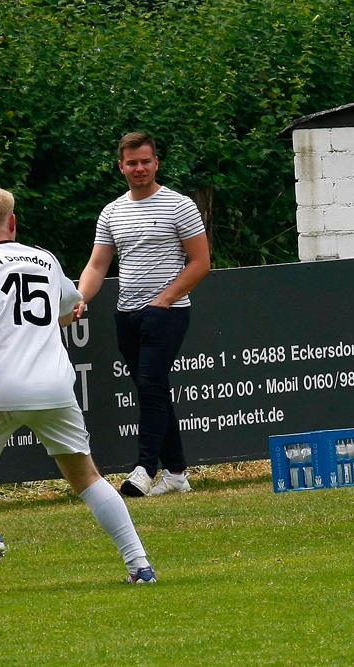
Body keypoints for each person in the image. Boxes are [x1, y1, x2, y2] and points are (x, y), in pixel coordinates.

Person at [0, 187, 155, 586]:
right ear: (13, 222)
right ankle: (140, 566)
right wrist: (72, 307)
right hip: (54, 388)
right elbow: (70, 308)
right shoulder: (44, 259)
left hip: (2, 387)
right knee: (87, 478)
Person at [76, 132, 211, 497]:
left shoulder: (179, 205)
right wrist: (80, 297)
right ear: (121, 166)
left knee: (151, 386)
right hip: (127, 314)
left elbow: (200, 262)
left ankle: (144, 469)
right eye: (132, 163)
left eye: (146, 161)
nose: (139, 168)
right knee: (153, 392)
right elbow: (97, 265)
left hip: (167, 312)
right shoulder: (113, 211)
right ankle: (178, 473)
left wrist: (165, 299)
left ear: (156, 163)